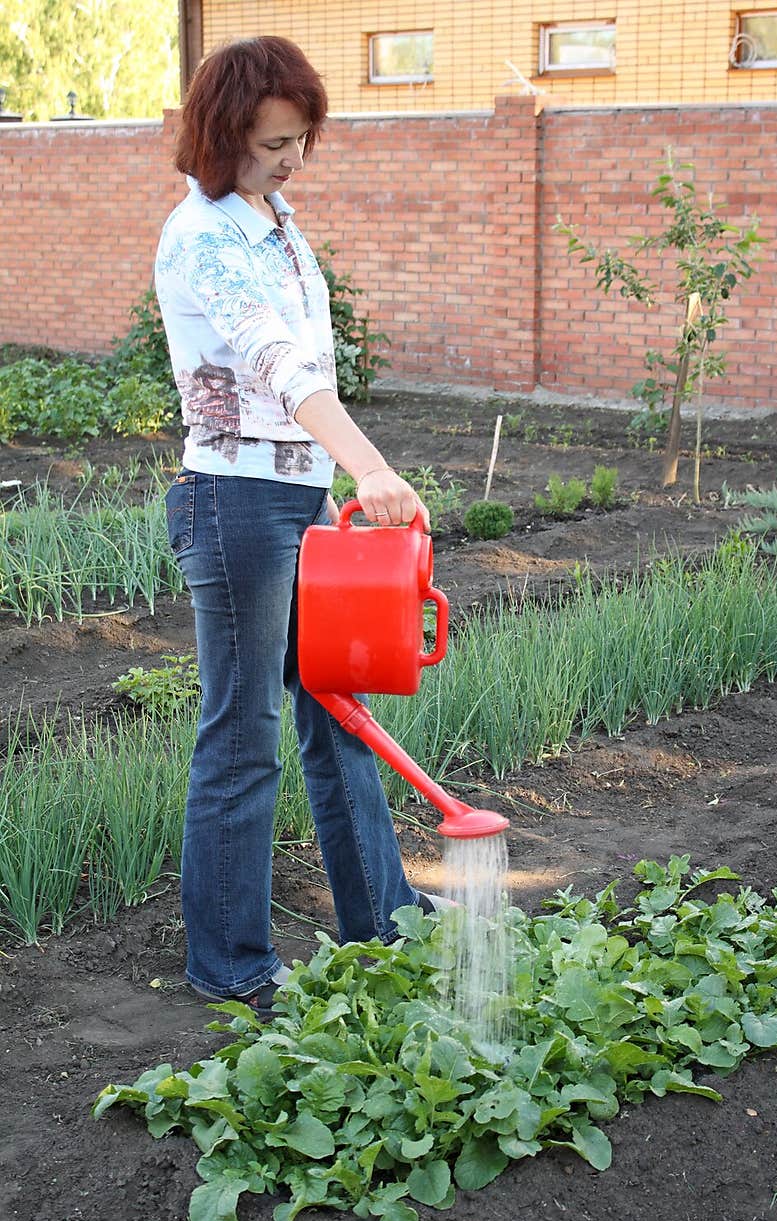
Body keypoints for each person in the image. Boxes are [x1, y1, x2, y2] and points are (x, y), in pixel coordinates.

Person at [155, 35, 447, 1019]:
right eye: (275, 143)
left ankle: (385, 921)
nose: (293, 161)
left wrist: (332, 479)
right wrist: (370, 464)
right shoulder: (204, 236)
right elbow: (281, 365)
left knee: (339, 710)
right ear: (224, 134)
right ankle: (230, 962)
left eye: (301, 140)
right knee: (243, 736)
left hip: (297, 496)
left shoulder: (272, 217)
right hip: (233, 503)